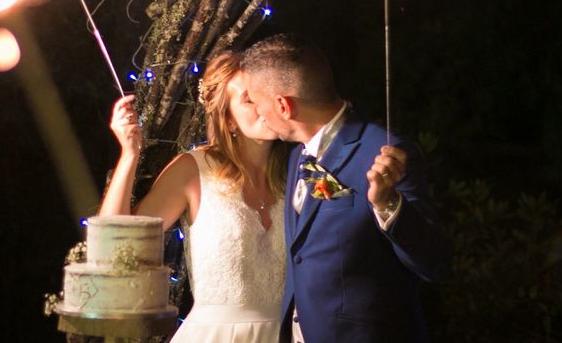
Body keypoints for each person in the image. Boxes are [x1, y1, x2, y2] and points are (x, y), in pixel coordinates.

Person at [240, 33, 450, 343]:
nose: (257, 113)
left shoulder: (383, 151)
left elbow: (435, 262)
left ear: (283, 105)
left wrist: (387, 204)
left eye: (256, 103)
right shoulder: (299, 153)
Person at [99, 50, 290, 343]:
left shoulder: (294, 174)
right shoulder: (194, 169)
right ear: (228, 120)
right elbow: (116, 244)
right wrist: (129, 154)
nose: (262, 106)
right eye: (248, 100)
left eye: (264, 93)